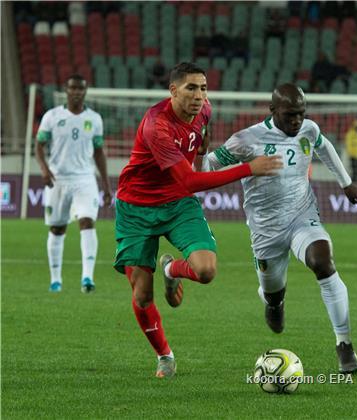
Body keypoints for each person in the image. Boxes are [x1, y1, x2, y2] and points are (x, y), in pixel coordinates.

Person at [113, 62, 281, 379]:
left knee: (206, 271)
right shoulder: (156, 127)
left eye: (203, 88)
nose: (199, 95)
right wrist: (249, 167)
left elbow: (201, 138)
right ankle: (165, 356)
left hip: (178, 204)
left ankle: (170, 269)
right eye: (191, 88)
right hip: (136, 208)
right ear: (173, 90)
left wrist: (203, 149)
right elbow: (191, 181)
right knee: (142, 295)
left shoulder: (204, 110)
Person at [203, 83, 357, 374]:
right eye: (290, 115)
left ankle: (344, 344)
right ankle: (275, 303)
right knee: (273, 294)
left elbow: (324, 147)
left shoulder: (309, 130)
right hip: (265, 230)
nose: (296, 121)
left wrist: (346, 183)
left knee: (323, 262)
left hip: (302, 215)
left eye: (301, 114)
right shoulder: (245, 140)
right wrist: (200, 154)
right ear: (272, 110)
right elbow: (209, 167)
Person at [35, 74, 112, 293]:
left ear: (85, 92)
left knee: (87, 222)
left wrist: (106, 186)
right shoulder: (52, 116)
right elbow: (39, 145)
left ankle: (87, 278)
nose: (77, 92)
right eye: (73, 88)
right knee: (57, 228)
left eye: (81, 89)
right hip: (57, 179)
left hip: (84, 179)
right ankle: (55, 280)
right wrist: (44, 168)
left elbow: (99, 153)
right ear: (66, 91)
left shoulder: (95, 119)